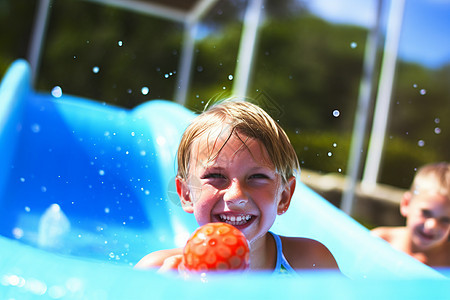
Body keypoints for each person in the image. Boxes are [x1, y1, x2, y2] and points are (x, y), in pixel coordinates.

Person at [135, 98, 339, 275]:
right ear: (187, 194)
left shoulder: (309, 265)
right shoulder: (161, 272)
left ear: (284, 196)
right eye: (215, 176)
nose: (236, 195)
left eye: (257, 176)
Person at [371, 162, 450, 268]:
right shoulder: (382, 241)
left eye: (446, 220)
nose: (432, 225)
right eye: (425, 213)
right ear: (406, 204)